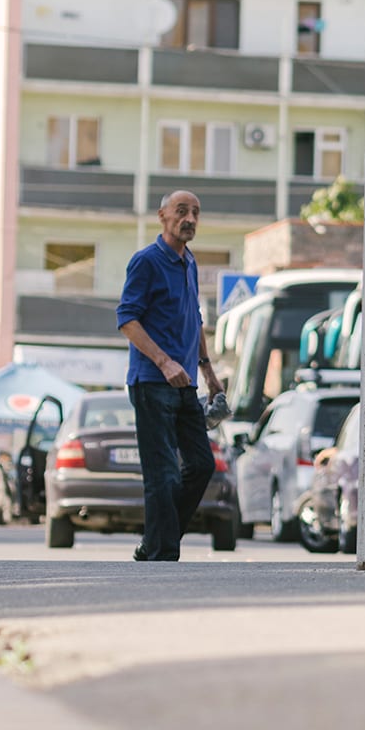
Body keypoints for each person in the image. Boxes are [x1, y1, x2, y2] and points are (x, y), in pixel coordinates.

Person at [115, 189, 225, 561]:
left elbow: (195, 319)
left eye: (196, 212)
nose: (190, 219)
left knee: (201, 465)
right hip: (151, 382)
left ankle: (156, 540)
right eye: (182, 211)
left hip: (187, 386)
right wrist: (164, 361)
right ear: (162, 215)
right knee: (163, 473)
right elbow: (127, 320)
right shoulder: (146, 261)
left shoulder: (189, 262)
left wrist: (208, 371)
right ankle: (163, 555)